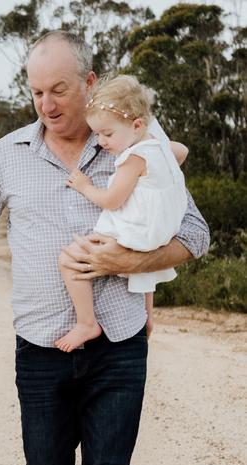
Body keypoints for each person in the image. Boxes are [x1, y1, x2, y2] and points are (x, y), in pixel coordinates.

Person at [0, 31, 210, 465]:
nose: (46, 104)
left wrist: (129, 264)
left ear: (89, 82)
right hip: (40, 348)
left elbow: (195, 233)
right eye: (37, 92)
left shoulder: (137, 150)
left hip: (120, 345)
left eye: (58, 90)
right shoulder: (8, 154)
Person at [55, 74, 189, 353]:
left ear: (137, 125)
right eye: (97, 134)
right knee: (143, 270)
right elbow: (182, 152)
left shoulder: (133, 158)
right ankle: (147, 318)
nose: (102, 142)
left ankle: (86, 322)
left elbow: (112, 201)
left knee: (68, 259)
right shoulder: (160, 146)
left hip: (136, 231)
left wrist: (85, 186)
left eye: (108, 134)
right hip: (160, 232)